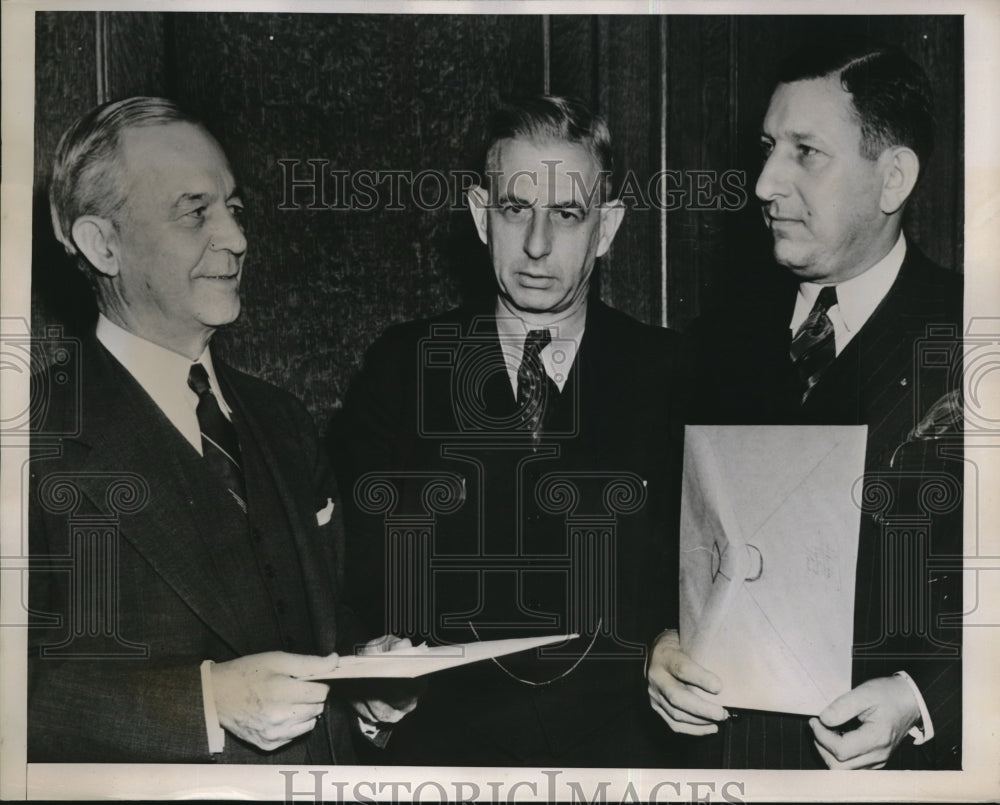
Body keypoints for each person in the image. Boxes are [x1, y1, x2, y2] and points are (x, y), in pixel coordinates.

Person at [28, 97, 412, 763]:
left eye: (234, 208)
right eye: (195, 211)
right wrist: (205, 702)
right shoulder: (32, 440)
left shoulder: (281, 418)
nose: (235, 238)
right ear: (103, 243)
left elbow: (319, 617)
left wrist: (364, 676)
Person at [337, 96, 686, 766]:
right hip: (439, 765)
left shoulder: (670, 373)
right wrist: (365, 674)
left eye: (567, 214)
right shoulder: (401, 367)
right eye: (515, 209)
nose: (536, 244)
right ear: (479, 214)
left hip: (622, 765)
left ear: (606, 227)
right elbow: (339, 573)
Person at [647, 41, 963, 770]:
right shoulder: (710, 346)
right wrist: (660, 644)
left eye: (805, 153)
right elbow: (660, 544)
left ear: (893, 179)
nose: (763, 183)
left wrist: (921, 698)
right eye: (766, 149)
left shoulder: (974, 339)